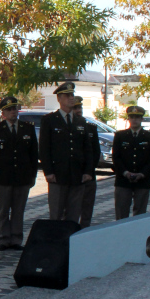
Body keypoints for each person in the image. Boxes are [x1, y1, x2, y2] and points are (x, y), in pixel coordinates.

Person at [0, 96, 38, 251]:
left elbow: (33, 154)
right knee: (3, 211)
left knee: (18, 210)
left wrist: (33, 175)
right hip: (3, 177)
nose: (13, 112)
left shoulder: (27, 128)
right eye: (9, 110)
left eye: (15, 108)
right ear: (3, 113)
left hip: (22, 177)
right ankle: (3, 239)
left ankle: (16, 239)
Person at [39, 82, 93, 225]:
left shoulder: (81, 121)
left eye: (72, 95)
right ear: (59, 99)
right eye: (67, 95)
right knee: (56, 214)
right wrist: (48, 171)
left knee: (74, 214)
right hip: (58, 174)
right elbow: (44, 148)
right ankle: (56, 244)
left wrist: (87, 171)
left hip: (77, 175)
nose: (71, 98)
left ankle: (70, 243)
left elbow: (87, 148)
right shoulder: (50, 120)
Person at [113, 105, 150, 219]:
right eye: (132, 117)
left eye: (137, 117)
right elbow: (116, 157)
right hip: (123, 180)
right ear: (128, 119)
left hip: (143, 180)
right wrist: (125, 173)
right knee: (121, 212)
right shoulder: (120, 136)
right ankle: (122, 235)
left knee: (140, 215)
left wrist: (142, 174)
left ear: (142, 119)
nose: (134, 120)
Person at [74, 97, 102, 228]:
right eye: (75, 108)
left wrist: (90, 171)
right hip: (73, 174)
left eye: (80, 107)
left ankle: (85, 230)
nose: (78, 110)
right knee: (71, 208)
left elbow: (95, 152)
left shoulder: (90, 128)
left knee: (87, 206)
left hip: (89, 174)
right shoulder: (69, 127)